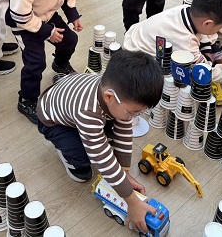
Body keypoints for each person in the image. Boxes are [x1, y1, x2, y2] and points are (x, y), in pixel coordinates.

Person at [38, 49, 163, 234]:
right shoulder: (87, 112)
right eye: (133, 112)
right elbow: (102, 159)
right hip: (52, 121)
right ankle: (67, 154)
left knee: (113, 133)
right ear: (109, 97)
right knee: (83, 171)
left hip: (70, 98)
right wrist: (132, 202)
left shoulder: (115, 93)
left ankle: (86, 137)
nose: (134, 117)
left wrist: (124, 172)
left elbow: (124, 131)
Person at [123, 0, 222, 83]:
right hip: (137, 59)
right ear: (207, 23)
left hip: (137, 34)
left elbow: (201, 33)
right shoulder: (186, 40)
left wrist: (215, 54)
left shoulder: (187, 9)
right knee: (183, 79)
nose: (219, 31)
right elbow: (204, 72)